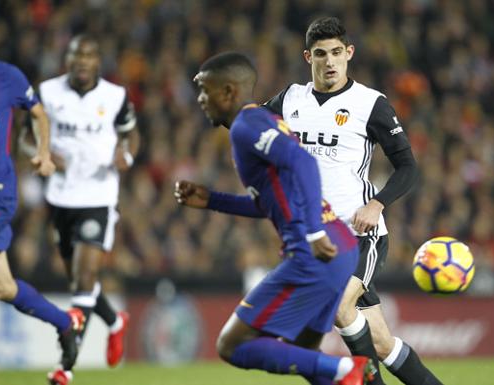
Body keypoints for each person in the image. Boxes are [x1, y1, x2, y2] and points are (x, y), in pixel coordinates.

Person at [174, 52, 373, 385]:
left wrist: (311, 233)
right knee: (307, 359)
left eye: (205, 91)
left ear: (228, 92)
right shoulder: (259, 123)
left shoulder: (246, 126)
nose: (200, 100)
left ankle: (346, 369)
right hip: (340, 246)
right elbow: (270, 202)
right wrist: (212, 200)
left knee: (231, 344)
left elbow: (304, 164)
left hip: (316, 251)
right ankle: (340, 374)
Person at [264, 17, 443, 385]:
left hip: (361, 233)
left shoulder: (370, 104)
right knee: (380, 342)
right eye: (320, 54)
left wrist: (377, 204)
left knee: (339, 305)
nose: (329, 62)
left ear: (349, 54)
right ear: (307, 57)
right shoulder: (291, 99)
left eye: (335, 53)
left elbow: (408, 167)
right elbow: (251, 125)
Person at [35, 34, 137, 373]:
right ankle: (115, 321)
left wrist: (126, 154)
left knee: (86, 275)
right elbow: (25, 134)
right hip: (61, 197)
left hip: (99, 195)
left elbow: (131, 132)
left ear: (97, 61)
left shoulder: (115, 96)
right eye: (76, 55)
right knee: (80, 281)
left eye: (89, 55)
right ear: (68, 59)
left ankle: (67, 365)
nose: (82, 61)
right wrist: (41, 153)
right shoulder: (48, 93)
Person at [0, 60, 85, 385]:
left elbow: (38, 113)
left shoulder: (6, 76)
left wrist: (44, 153)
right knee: (3, 287)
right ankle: (65, 322)